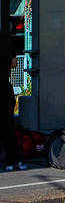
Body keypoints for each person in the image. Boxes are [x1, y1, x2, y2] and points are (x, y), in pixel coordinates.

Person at [1, 33, 23, 171]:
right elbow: (14, 63)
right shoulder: (6, 38)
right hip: (3, 87)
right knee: (7, 124)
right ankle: (11, 161)